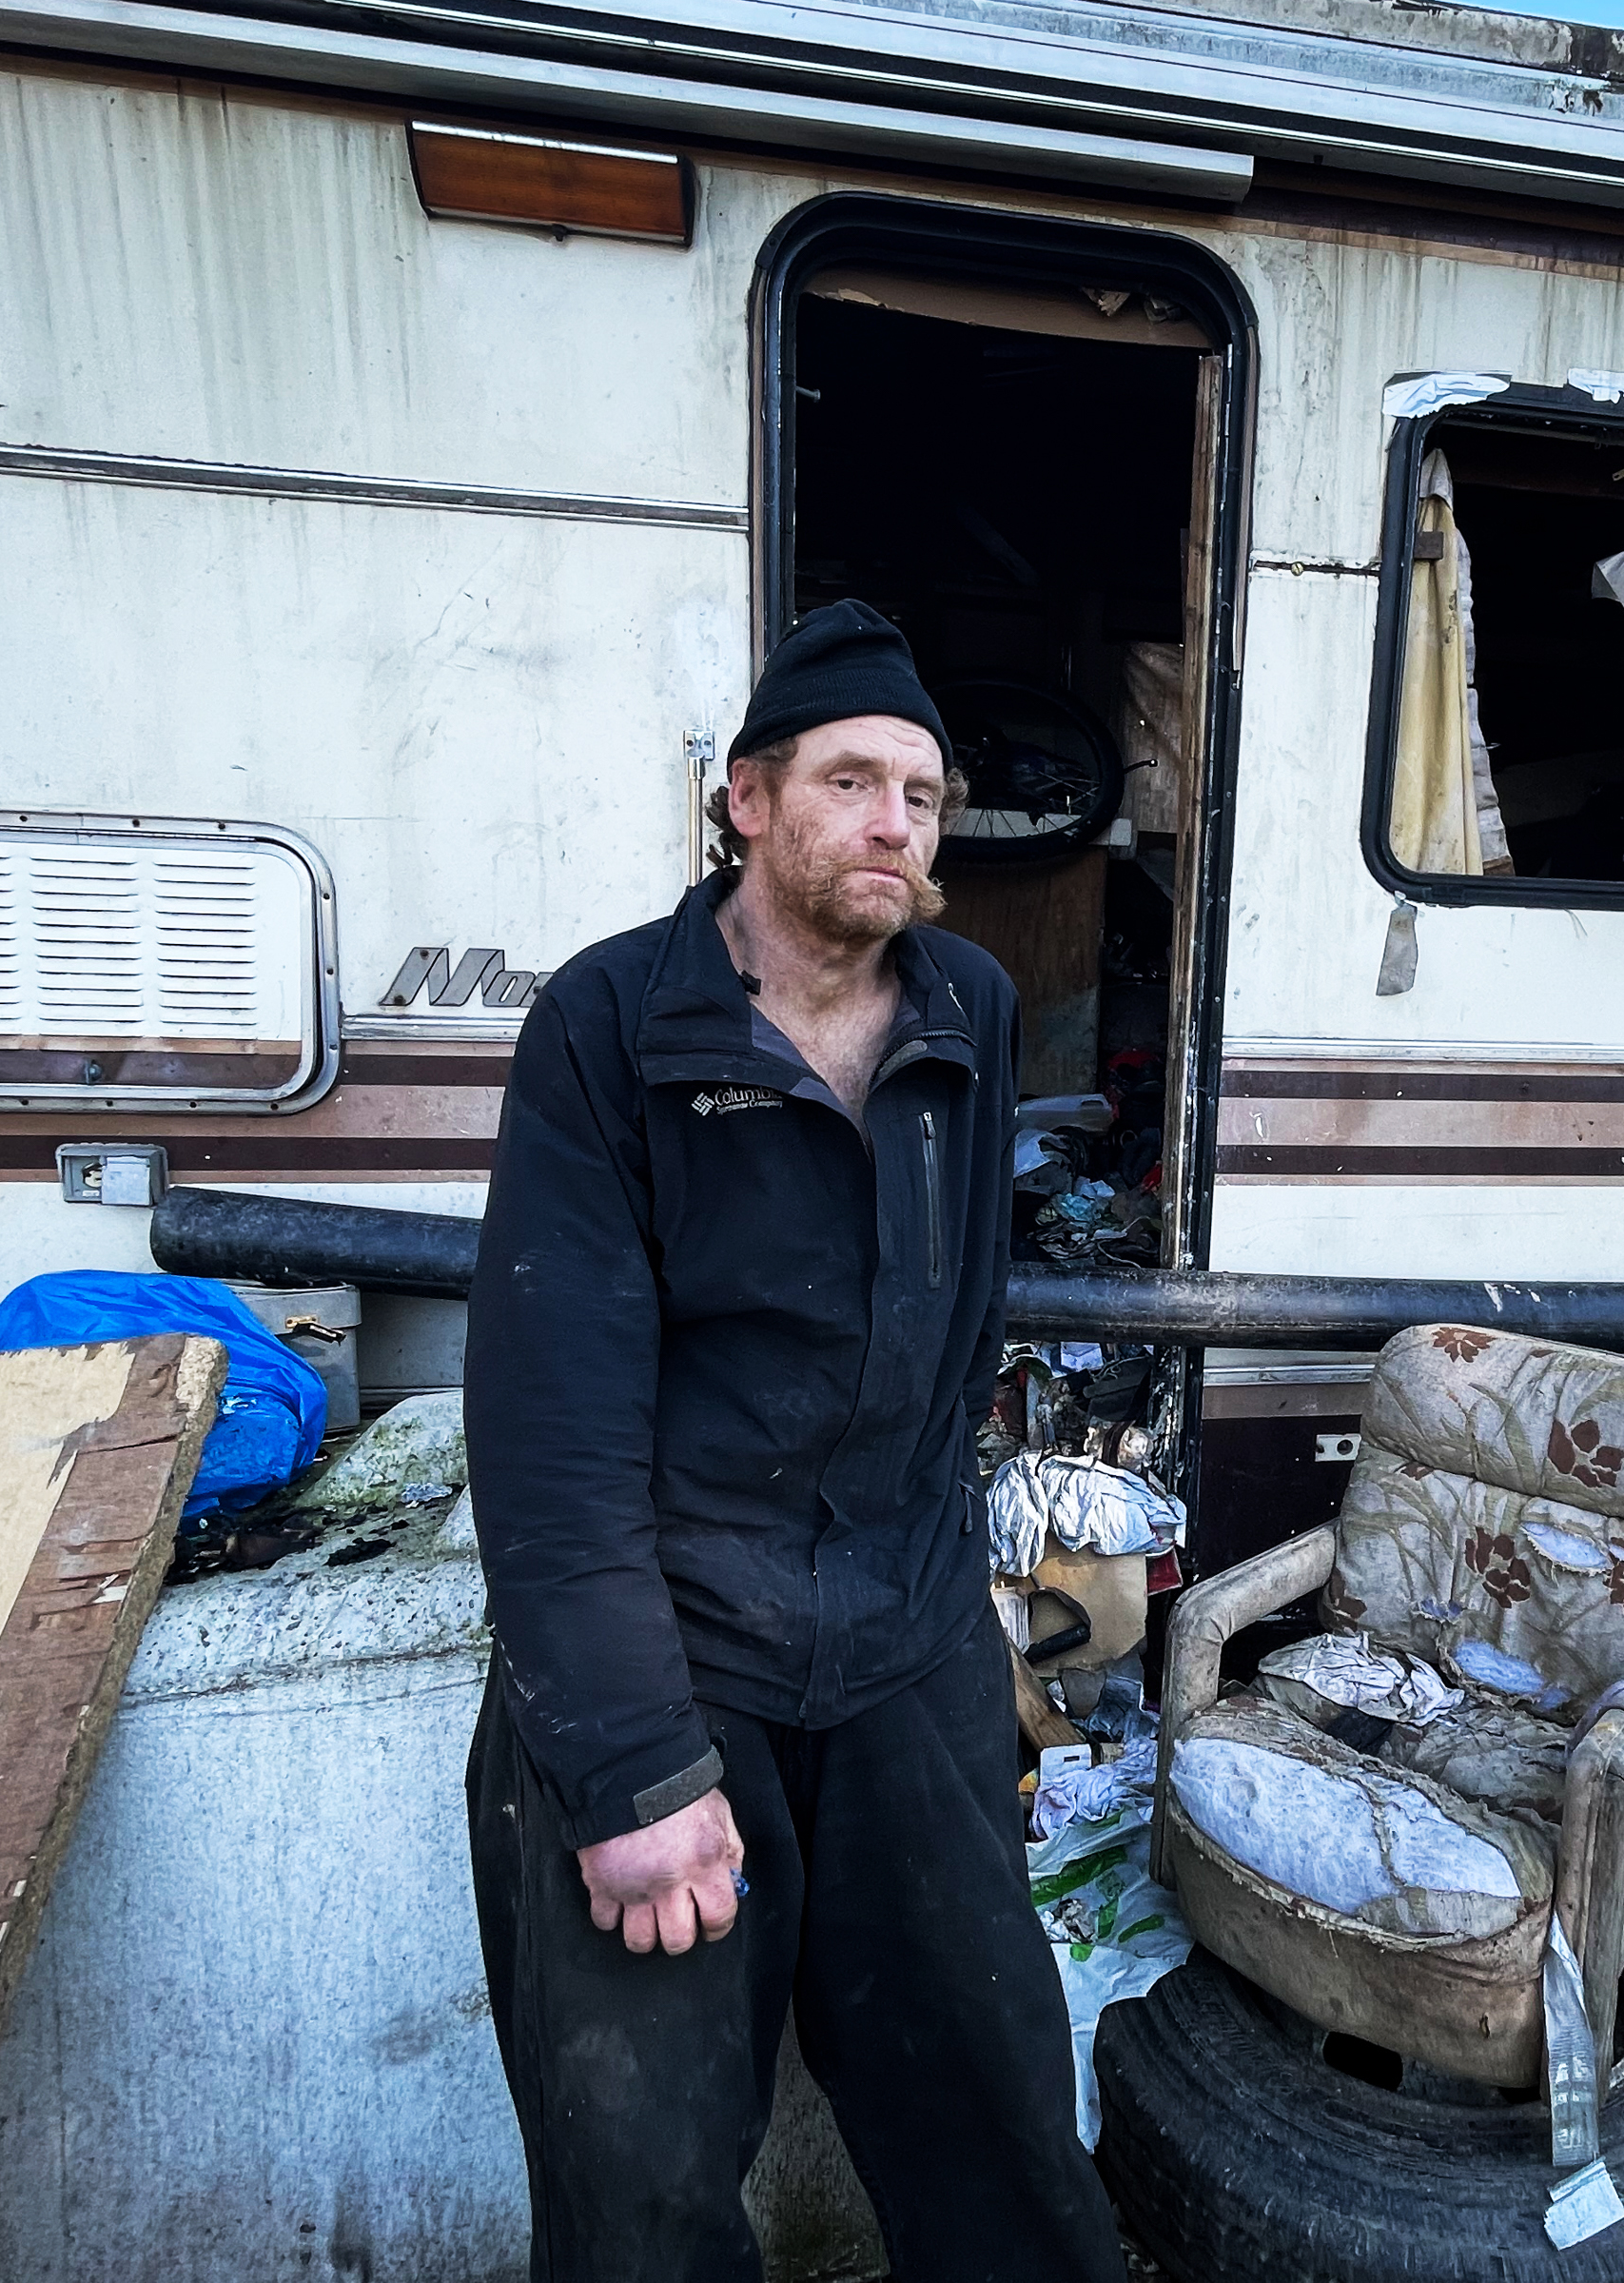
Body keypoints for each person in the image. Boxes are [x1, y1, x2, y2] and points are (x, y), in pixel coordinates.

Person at [462, 601, 1126, 2283]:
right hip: (682, 1664)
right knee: (644, 2192)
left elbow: (961, 1325)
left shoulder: (967, 1007)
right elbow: (552, 1431)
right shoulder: (614, 1027)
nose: (898, 820)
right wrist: (628, 1767)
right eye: (852, 781)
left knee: (1002, 2138)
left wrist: (955, 1636)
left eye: (923, 789)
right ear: (748, 800)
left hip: (904, 1647)